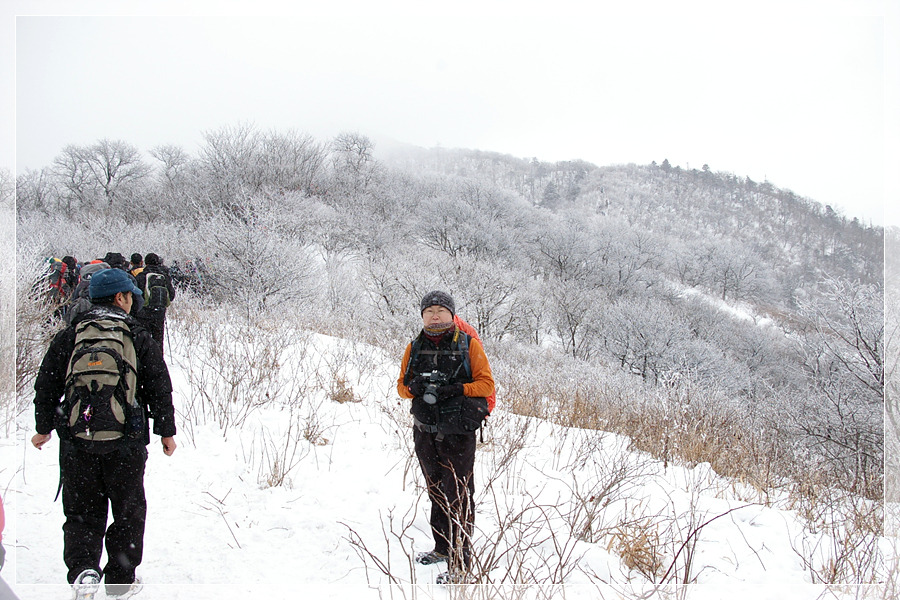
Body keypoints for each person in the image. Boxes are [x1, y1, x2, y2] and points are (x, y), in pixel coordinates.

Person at [31, 268, 177, 599]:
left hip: (77, 440)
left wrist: (44, 428)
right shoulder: (137, 334)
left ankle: (84, 572)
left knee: (82, 511)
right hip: (126, 442)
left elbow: (47, 383)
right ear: (120, 298)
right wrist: (166, 431)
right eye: (129, 297)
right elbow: (158, 384)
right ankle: (120, 580)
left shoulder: (70, 335)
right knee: (127, 510)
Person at [397, 291, 494, 584]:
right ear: (422, 316)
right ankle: (441, 548)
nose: (435, 316)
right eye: (429, 311)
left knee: (460, 494)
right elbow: (400, 388)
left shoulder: (468, 344)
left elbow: (486, 383)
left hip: (457, 433)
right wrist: (414, 388)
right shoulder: (414, 347)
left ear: (452, 315)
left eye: (441, 310)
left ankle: (461, 562)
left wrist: (457, 389)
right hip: (425, 430)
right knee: (436, 490)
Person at [134, 253, 177, 355]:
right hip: (159, 313)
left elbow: (136, 295)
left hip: (143, 314)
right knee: (158, 340)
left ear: (145, 263)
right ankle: (158, 361)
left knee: (144, 339)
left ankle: (144, 362)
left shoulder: (141, 276)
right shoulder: (164, 276)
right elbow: (171, 295)